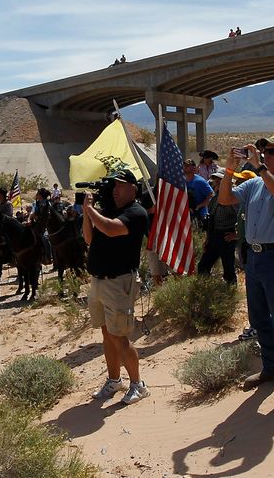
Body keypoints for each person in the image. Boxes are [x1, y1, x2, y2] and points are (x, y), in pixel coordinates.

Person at [217, 133, 274, 412]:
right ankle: (272, 368)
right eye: (264, 151)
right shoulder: (255, 183)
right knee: (259, 318)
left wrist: (260, 167)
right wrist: (230, 169)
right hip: (255, 257)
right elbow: (225, 199)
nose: (266, 154)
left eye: (273, 151)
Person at [81, 168, 151, 406]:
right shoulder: (108, 211)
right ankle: (114, 380)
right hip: (99, 280)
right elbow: (90, 238)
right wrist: (86, 213)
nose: (115, 190)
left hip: (119, 282)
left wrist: (90, 210)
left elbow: (112, 229)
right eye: (113, 186)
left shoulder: (136, 212)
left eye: (120, 185)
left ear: (133, 187)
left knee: (120, 336)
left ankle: (138, 385)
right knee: (106, 334)